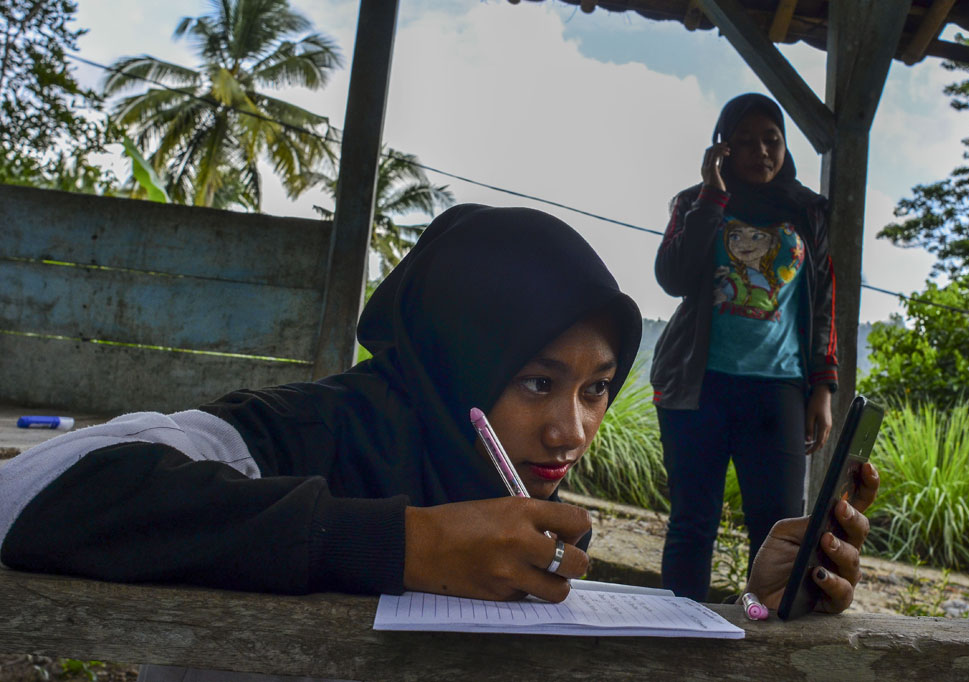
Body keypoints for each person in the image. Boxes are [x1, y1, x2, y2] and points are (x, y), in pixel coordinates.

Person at [1, 204, 869, 682]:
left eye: (597, 388)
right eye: (537, 382)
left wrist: (756, 611)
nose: (572, 429)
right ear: (459, 351)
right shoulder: (312, 430)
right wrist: (405, 545)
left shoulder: (516, 500)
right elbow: (36, 490)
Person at [652, 93, 839, 600]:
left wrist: (823, 388)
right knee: (692, 524)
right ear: (722, 150)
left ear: (785, 145)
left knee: (778, 532)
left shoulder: (809, 212)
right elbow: (672, 276)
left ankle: (766, 645)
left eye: (771, 139)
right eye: (745, 141)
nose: (761, 150)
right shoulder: (693, 202)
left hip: (777, 390)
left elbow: (823, 301)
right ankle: (679, 637)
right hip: (697, 386)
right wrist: (712, 196)